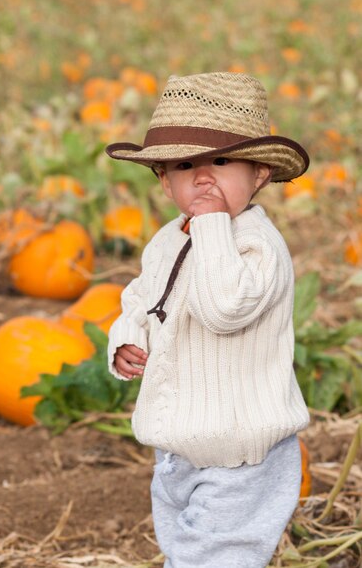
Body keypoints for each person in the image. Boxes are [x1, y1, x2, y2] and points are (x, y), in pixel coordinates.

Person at [105, 72, 311, 568]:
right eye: (184, 164)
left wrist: (213, 223)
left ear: (259, 173)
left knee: (214, 558)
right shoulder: (168, 239)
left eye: (220, 162)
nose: (202, 177)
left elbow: (225, 308)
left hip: (243, 451)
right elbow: (141, 297)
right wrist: (127, 337)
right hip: (178, 446)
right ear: (163, 180)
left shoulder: (255, 246)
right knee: (184, 547)